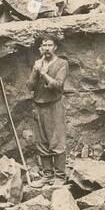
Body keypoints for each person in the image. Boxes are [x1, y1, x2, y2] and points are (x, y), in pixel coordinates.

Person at [31, 37, 70, 180]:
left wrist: (43, 73)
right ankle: (47, 175)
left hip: (54, 105)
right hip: (38, 106)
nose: (46, 48)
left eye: (50, 45)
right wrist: (35, 71)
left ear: (55, 47)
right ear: (41, 47)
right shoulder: (38, 64)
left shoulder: (62, 63)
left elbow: (58, 85)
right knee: (41, 141)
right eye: (44, 45)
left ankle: (59, 176)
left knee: (57, 141)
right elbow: (30, 86)